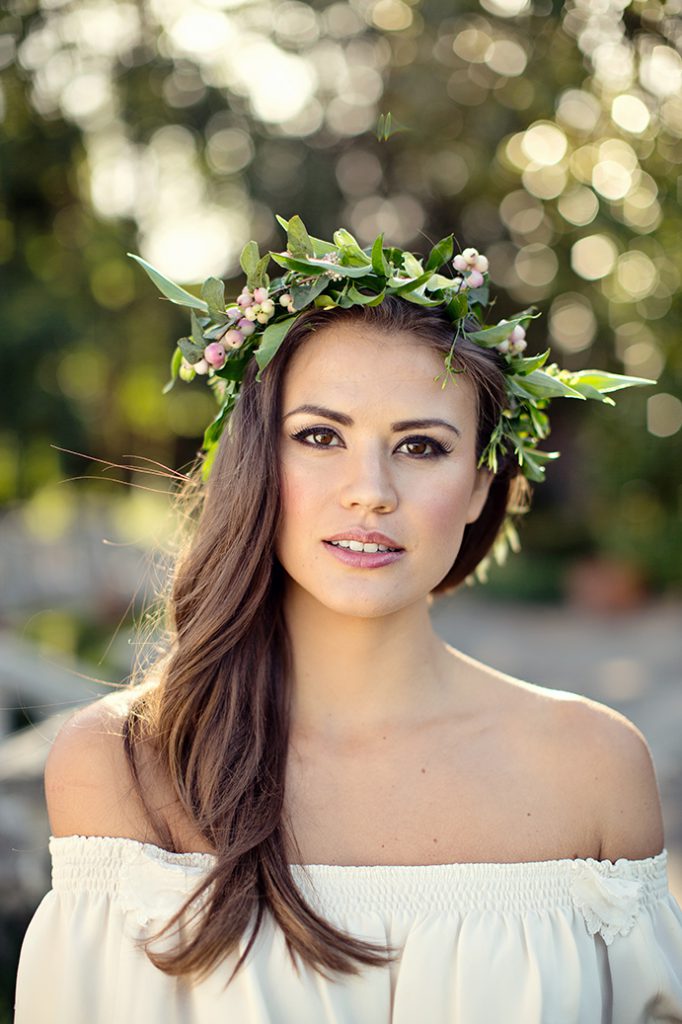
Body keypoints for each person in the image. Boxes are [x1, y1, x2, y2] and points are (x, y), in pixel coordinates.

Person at [14, 217, 682, 1022]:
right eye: (321, 436)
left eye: (423, 447)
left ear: (477, 486)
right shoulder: (119, 765)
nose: (370, 489)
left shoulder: (594, 770)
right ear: (258, 458)